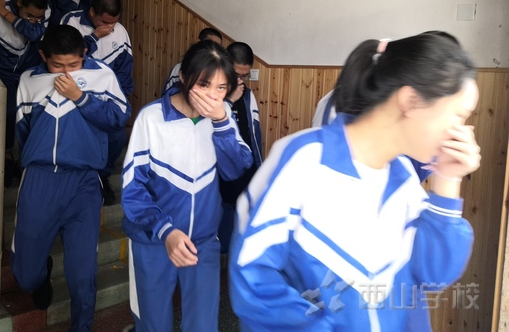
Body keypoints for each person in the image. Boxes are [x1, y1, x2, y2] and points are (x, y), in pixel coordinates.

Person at [229, 32, 481, 331]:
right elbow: (252, 275)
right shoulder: (305, 159)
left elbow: (434, 276)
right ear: (410, 101)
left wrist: (447, 179)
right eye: (458, 115)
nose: (462, 132)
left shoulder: (403, 179)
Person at [121, 40, 253, 332]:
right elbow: (133, 190)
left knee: (203, 326)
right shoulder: (151, 118)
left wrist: (221, 122)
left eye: (221, 88)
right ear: (183, 77)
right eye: (204, 84)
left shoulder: (222, 115)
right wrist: (165, 230)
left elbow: (235, 169)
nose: (212, 96)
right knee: (154, 325)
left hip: (203, 241)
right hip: (153, 240)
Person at [12, 25, 131, 331]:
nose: (65, 72)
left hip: (84, 182)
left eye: (74, 64)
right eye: (57, 65)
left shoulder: (102, 75)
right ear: (43, 56)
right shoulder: (29, 80)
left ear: (84, 54)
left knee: (83, 274)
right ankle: (41, 273)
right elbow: (23, 131)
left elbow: (119, 118)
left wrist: (81, 98)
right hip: (40, 181)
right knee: (26, 276)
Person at [61, 0, 133, 204]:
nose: (111, 27)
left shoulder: (120, 32)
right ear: (92, 12)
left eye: (115, 22)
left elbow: (124, 71)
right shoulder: (72, 21)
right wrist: (94, 36)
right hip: (71, 95)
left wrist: (120, 100)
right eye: (105, 22)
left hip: (104, 101)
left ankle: (101, 176)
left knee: (117, 136)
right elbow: (65, 55)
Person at [0, 0, 48, 187]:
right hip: (2, 71)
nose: (34, 20)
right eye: (29, 15)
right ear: (19, 3)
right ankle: (6, 156)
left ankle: (28, 160)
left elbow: (34, 34)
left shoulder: (42, 12)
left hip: (29, 70)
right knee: (7, 112)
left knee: (34, 113)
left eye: (38, 17)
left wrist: (4, 13)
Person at [217, 42, 263, 255]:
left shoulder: (247, 95)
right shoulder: (212, 93)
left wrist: (259, 171)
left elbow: (254, 136)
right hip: (217, 177)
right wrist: (228, 100)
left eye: (245, 76)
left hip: (243, 171)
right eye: (236, 75)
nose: (240, 81)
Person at [163, 27, 223, 94]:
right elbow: (167, 94)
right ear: (198, 42)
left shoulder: (220, 72)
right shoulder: (179, 68)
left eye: (217, 46)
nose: (212, 48)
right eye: (209, 43)